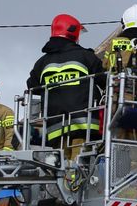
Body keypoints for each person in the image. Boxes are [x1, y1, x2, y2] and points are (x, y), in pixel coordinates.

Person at [27, 13, 104, 160]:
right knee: (82, 167)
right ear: (72, 32)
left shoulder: (42, 63)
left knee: (61, 169)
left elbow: (32, 86)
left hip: (55, 128)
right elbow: (104, 80)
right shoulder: (86, 56)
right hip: (84, 126)